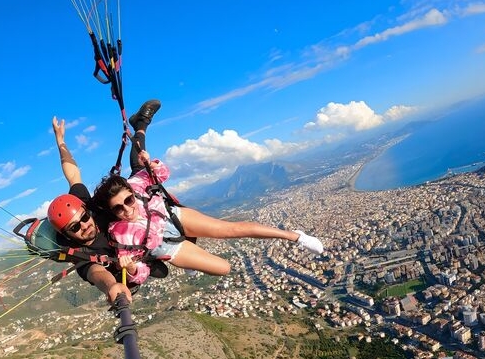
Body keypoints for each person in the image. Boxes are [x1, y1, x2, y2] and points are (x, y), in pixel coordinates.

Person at [91, 102, 325, 285]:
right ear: (112, 212)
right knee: (224, 268)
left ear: (132, 193)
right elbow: (139, 273)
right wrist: (131, 269)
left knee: (230, 229)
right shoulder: (120, 234)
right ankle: (139, 123)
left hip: (171, 217)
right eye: (118, 208)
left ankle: (296, 236)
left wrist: (152, 165)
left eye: (128, 200)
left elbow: (162, 174)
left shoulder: (137, 184)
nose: (127, 209)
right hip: (165, 246)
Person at [46, 100, 164, 304]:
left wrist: (61, 142)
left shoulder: (83, 206)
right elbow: (96, 272)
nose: (84, 225)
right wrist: (112, 287)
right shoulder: (79, 254)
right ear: (67, 234)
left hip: (136, 224)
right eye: (75, 227)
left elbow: (73, 175)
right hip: (136, 262)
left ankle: (141, 125)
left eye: (84, 217)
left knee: (139, 173)